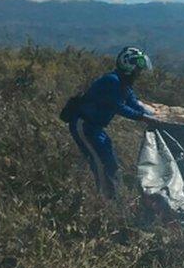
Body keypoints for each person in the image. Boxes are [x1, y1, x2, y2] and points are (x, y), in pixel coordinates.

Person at [66, 46, 161, 198]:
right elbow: (119, 107)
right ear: (129, 66)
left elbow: (133, 102)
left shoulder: (123, 84)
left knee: (110, 161)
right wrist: (142, 117)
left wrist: (155, 115)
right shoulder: (112, 81)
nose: (139, 74)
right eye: (138, 69)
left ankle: (111, 197)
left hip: (96, 128)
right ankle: (106, 201)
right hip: (85, 125)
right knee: (101, 164)